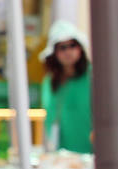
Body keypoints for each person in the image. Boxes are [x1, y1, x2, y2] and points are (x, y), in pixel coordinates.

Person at [39, 19, 93, 155]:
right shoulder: (49, 81)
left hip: (92, 153)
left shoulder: (94, 76)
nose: (68, 51)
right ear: (55, 52)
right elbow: (48, 118)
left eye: (72, 45)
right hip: (60, 155)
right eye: (62, 47)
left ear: (80, 48)